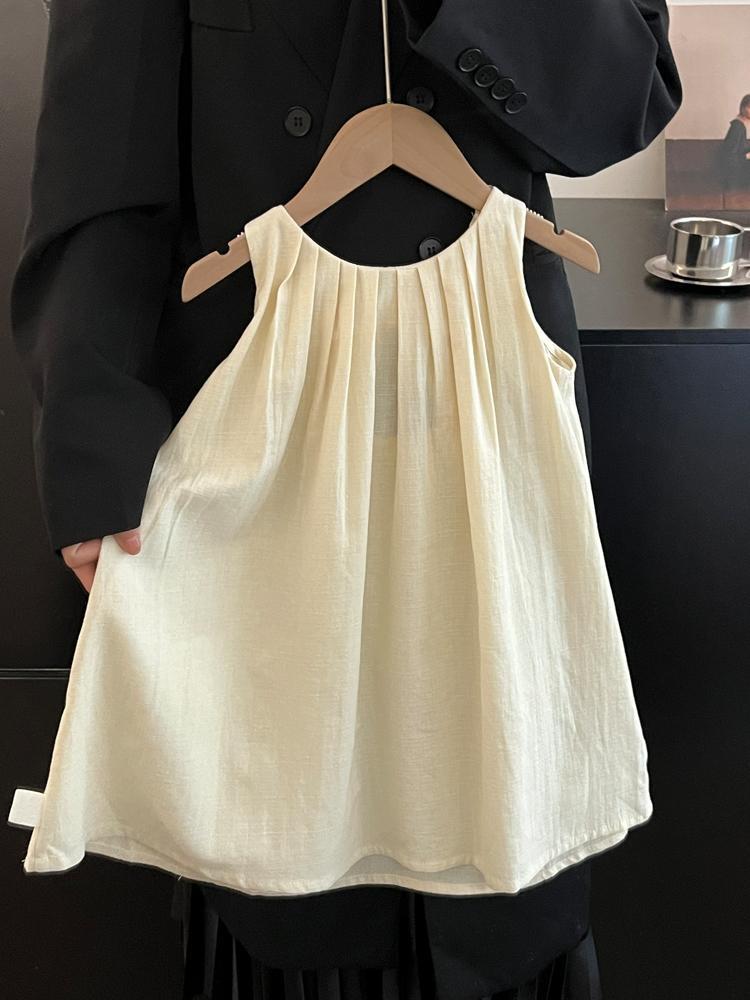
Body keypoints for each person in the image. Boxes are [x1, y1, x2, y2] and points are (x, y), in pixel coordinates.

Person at [10, 0, 682, 996]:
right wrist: (94, 442)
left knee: (507, 857)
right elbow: (101, 152)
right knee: (282, 870)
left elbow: (621, 98)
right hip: (251, 435)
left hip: (494, 428)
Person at [720, 93, 750, 197]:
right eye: (749, 107)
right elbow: (730, 155)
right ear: (743, 108)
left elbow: (739, 148)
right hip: (734, 173)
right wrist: (747, 156)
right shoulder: (738, 126)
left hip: (736, 169)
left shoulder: (740, 125)